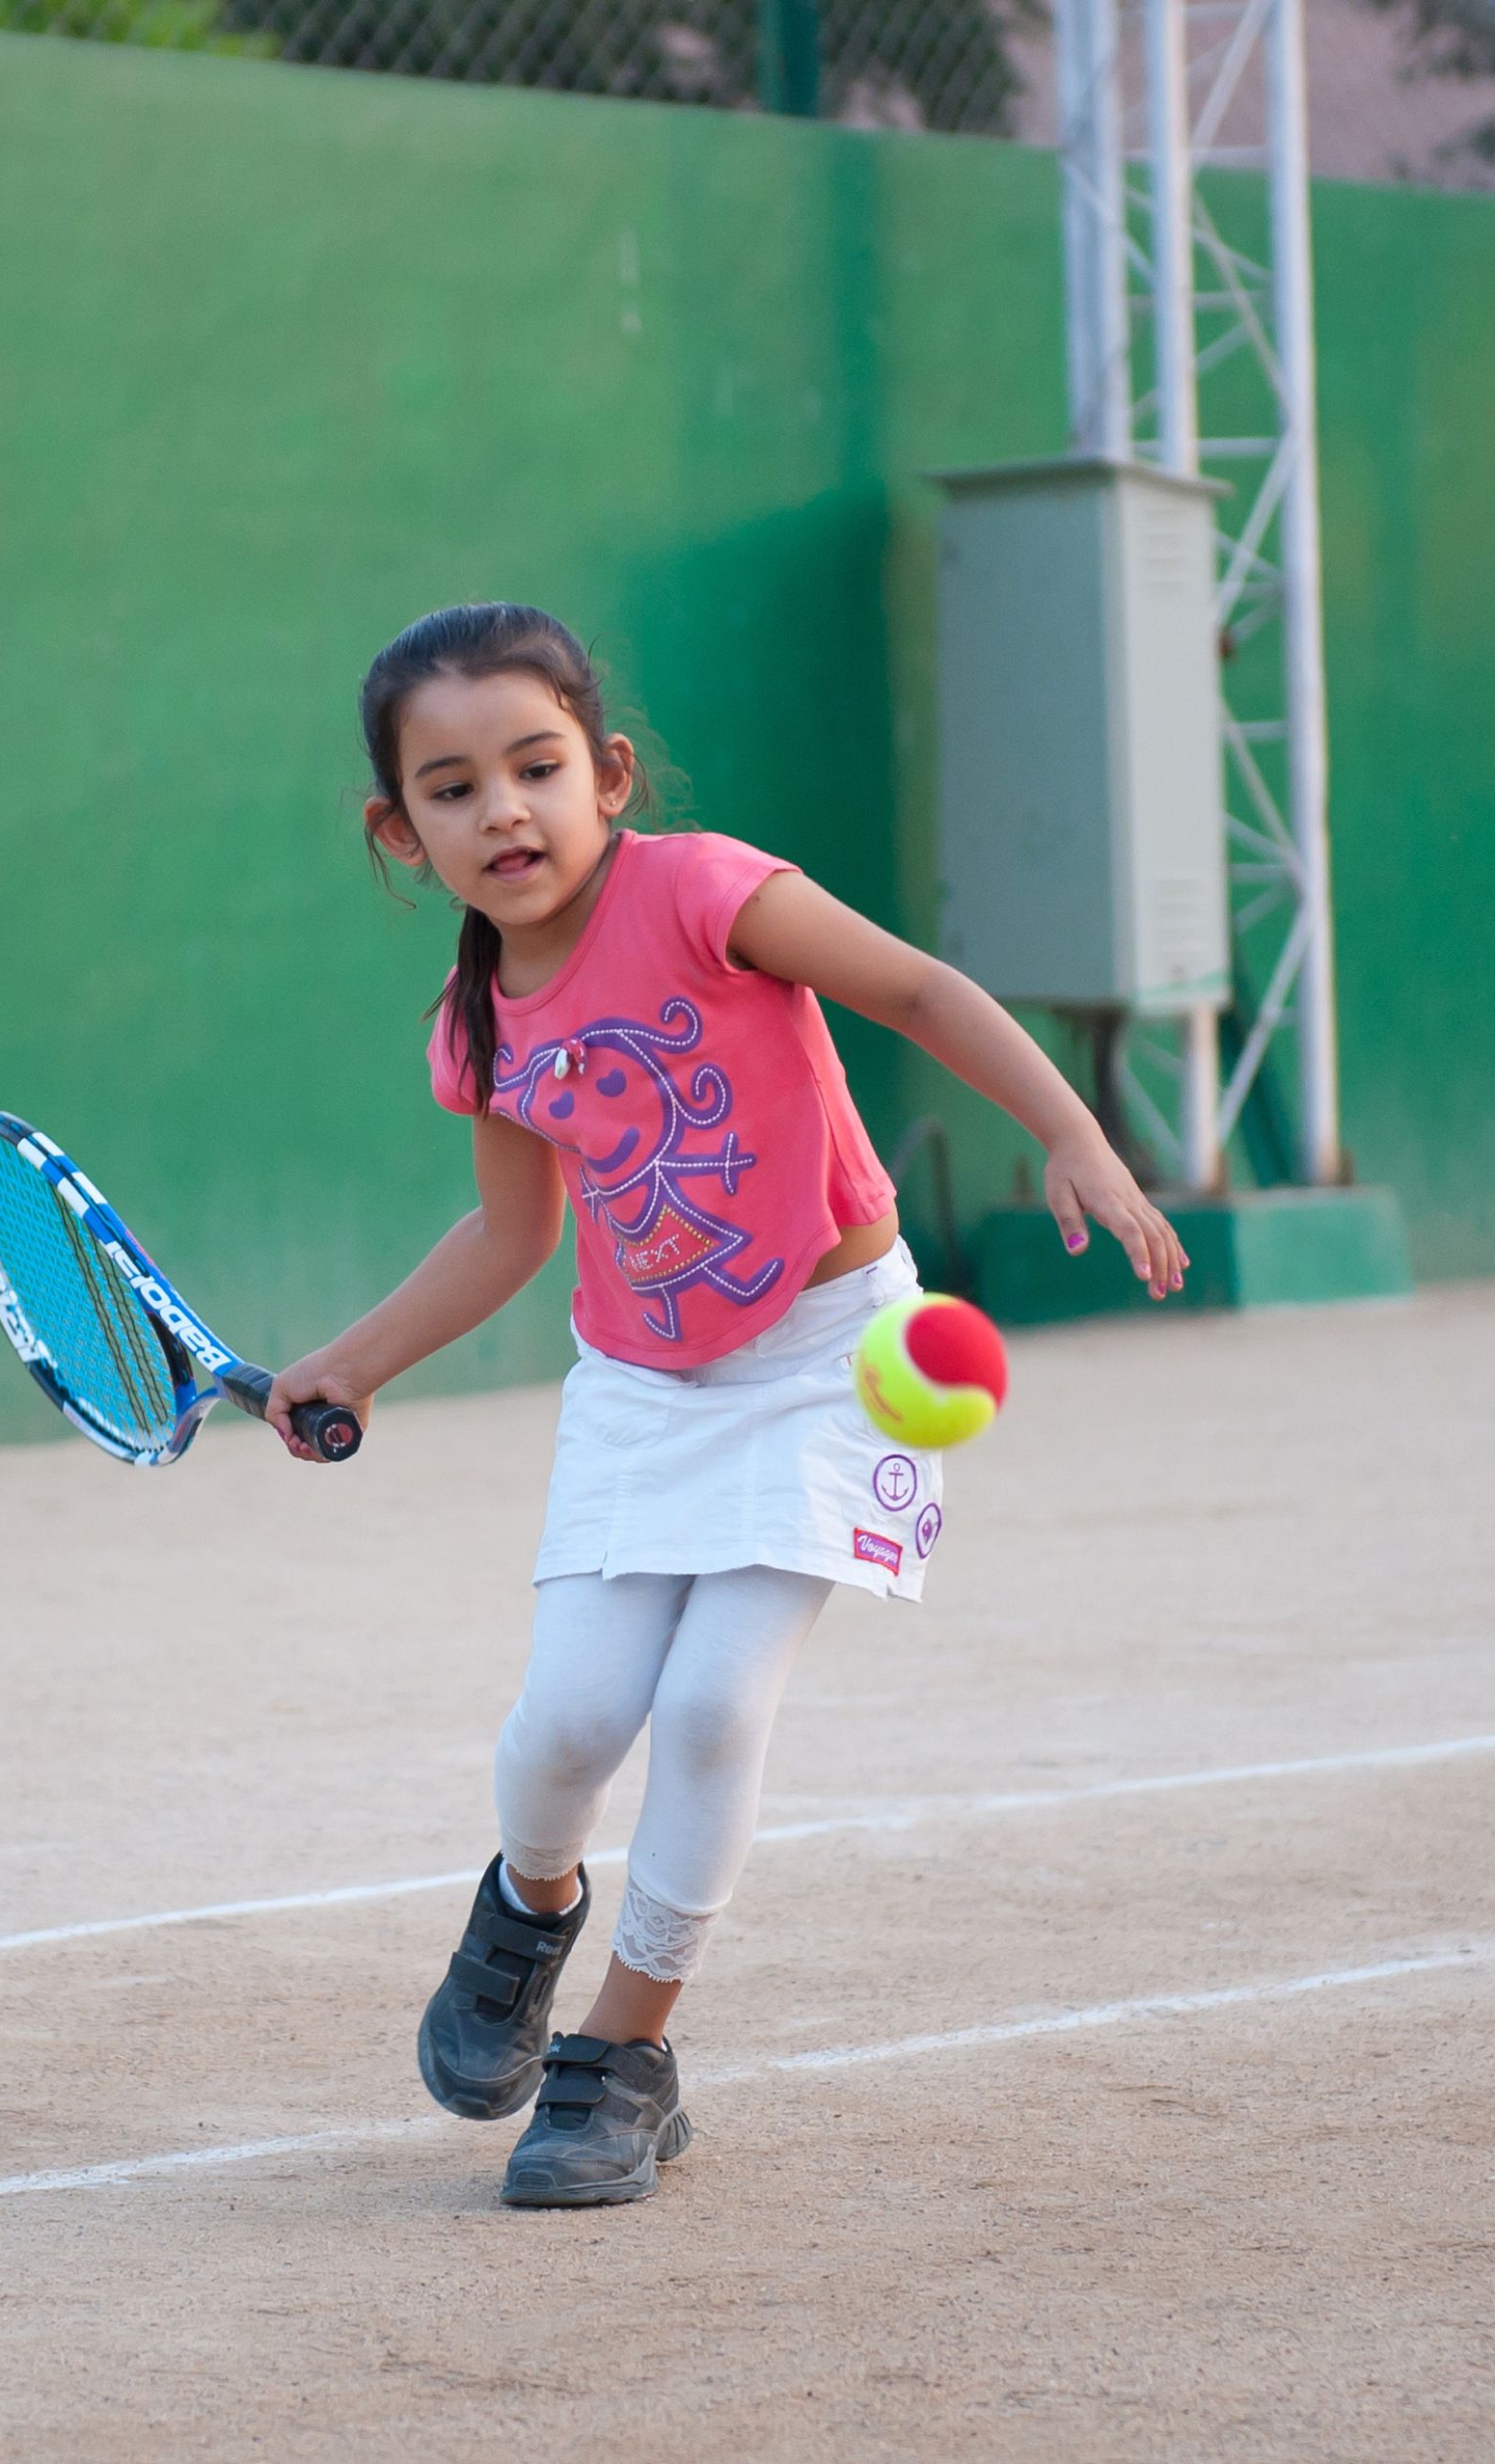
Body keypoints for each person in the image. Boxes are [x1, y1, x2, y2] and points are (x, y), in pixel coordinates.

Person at [262, 603, 1185, 2207]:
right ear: (397, 830)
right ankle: (527, 1911)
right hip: (639, 1387)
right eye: (454, 788)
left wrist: (1075, 1132)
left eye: (537, 768)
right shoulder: (476, 1024)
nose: (505, 813)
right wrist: (353, 1358)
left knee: (708, 1708)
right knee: (568, 1723)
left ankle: (621, 2056)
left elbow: (918, 992)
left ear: (608, 773)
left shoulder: (704, 892)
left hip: (837, 1359)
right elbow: (511, 1234)